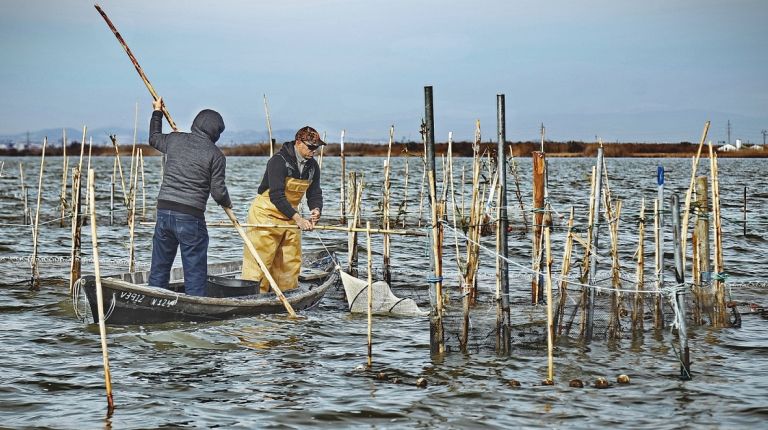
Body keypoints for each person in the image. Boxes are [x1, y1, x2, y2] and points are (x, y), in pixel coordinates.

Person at [147, 97, 232, 296]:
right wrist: (228, 203)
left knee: (159, 267)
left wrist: (157, 112)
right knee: (194, 271)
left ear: (195, 124)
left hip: (164, 212)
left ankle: (153, 301)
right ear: (215, 134)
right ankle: (195, 314)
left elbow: (154, 137)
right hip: (190, 217)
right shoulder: (216, 155)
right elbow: (218, 192)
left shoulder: (175, 140)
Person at [242, 126, 324, 293]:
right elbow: (277, 196)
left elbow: (314, 192)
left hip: (289, 217)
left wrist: (316, 209)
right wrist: (299, 219)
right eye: (311, 147)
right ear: (298, 143)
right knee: (260, 263)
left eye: (317, 147)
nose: (314, 151)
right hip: (265, 216)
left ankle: (286, 297)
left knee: (290, 263)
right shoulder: (278, 161)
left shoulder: (313, 167)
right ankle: (253, 298)